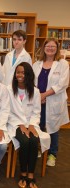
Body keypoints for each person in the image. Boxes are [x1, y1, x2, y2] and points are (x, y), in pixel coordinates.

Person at [7, 62, 50, 188]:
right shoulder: (9, 90)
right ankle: (23, 174)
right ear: (15, 74)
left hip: (31, 124)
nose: (20, 75)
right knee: (25, 141)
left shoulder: (35, 91)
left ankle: (31, 174)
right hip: (14, 124)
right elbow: (6, 111)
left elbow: (36, 112)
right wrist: (20, 124)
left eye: (24, 73)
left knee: (33, 141)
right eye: (18, 72)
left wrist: (31, 125)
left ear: (29, 75)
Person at [32, 38, 69, 167]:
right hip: (38, 100)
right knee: (38, 125)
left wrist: (44, 95)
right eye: (48, 46)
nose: (50, 48)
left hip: (53, 100)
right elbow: (32, 82)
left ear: (57, 49)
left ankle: (52, 154)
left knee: (52, 129)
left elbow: (62, 84)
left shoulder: (62, 63)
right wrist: (38, 96)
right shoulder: (37, 64)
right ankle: (40, 149)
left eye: (53, 46)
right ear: (44, 48)